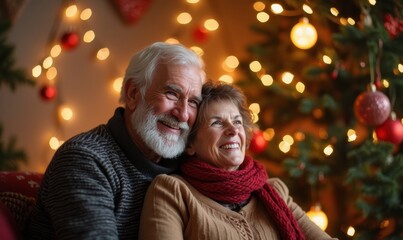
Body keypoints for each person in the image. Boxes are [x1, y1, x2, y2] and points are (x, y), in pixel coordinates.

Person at [29, 42, 206, 239]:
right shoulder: (84, 159)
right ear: (132, 94)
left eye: (193, 102)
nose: (182, 114)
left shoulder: (189, 164)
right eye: (172, 94)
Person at [139, 81, 336, 240]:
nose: (233, 130)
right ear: (190, 144)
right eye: (217, 122)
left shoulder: (275, 191)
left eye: (237, 122)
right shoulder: (172, 191)